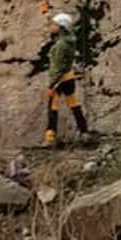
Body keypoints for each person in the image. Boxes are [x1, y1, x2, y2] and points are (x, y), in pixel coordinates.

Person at [41, 11, 90, 145]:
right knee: (74, 104)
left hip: (59, 80)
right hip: (69, 77)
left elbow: (57, 66)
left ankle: (50, 137)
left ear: (61, 27)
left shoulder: (61, 45)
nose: (51, 26)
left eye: (54, 24)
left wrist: (52, 84)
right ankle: (84, 130)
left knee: (53, 106)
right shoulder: (70, 41)